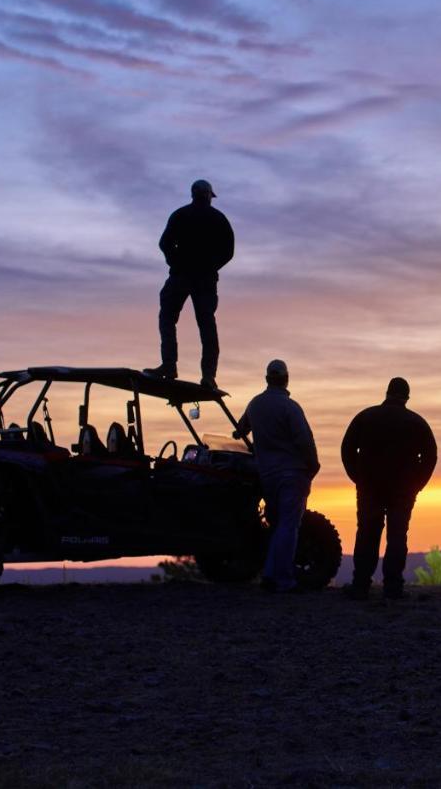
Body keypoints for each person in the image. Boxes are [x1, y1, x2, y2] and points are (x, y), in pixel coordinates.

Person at [340, 377, 437, 600]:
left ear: (386, 393)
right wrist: (416, 485)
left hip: (370, 487)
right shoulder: (416, 422)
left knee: (367, 533)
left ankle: (361, 584)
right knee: (397, 535)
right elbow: (430, 457)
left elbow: (347, 450)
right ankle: (393, 587)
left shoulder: (365, 417)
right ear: (407, 397)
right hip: (402, 490)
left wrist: (358, 477)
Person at [233, 360, 320, 593]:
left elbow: (240, 430)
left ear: (267, 379)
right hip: (292, 473)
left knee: (277, 524)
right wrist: (313, 465)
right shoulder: (290, 407)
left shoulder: (255, 404)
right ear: (286, 379)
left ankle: (271, 573)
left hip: (267, 474)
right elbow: (304, 440)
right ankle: (281, 579)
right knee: (289, 525)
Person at [144, 179, 235, 390]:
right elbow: (228, 252)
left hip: (182, 276)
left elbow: (164, 244)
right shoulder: (217, 218)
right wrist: (211, 266)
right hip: (201, 279)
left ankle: (169, 366)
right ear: (208, 196)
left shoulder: (180, 215)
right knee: (206, 326)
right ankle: (208, 376)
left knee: (168, 318)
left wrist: (175, 262)